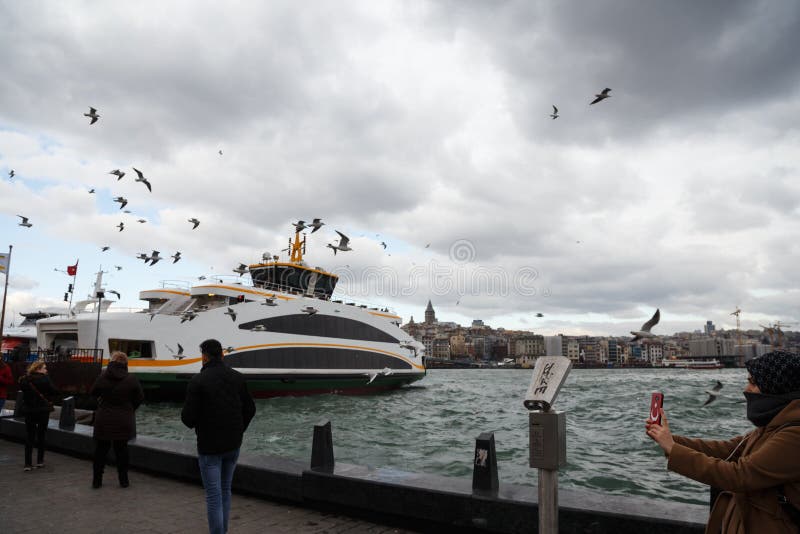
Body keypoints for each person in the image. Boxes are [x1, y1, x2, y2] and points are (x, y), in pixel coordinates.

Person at [646, 351, 800, 533]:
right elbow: (728, 450)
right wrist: (668, 439)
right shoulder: (772, 426)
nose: (746, 389)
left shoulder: (794, 434)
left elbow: (739, 475)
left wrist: (673, 448)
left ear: (775, 386)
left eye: (753, 382)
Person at [181, 339, 255, 534]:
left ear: (204, 356)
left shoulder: (198, 381)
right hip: (233, 444)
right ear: (222, 355)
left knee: (214, 495)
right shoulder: (238, 377)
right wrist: (239, 430)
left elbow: (188, 419)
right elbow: (250, 409)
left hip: (209, 446)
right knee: (225, 490)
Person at [90, 351, 144, 489]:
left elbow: (92, 393)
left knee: (101, 450)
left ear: (111, 362)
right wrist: (129, 408)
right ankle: (123, 480)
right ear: (126, 363)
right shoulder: (131, 379)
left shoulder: (102, 377)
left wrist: (102, 404)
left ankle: (97, 480)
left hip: (104, 419)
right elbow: (139, 399)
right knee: (122, 450)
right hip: (123, 420)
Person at [18, 361, 59, 471]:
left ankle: (28, 464)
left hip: (29, 411)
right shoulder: (45, 379)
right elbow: (55, 391)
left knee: (29, 436)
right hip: (42, 411)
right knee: (41, 436)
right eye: (44, 368)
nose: (46, 370)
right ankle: (40, 461)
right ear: (38, 369)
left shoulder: (24, 380)